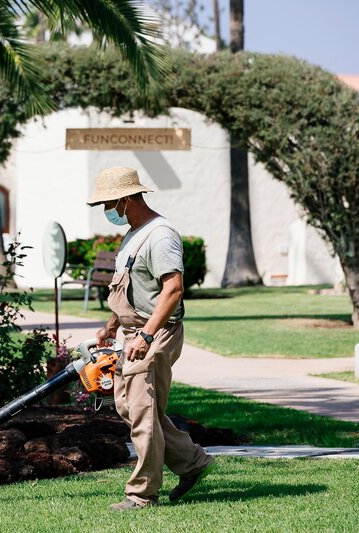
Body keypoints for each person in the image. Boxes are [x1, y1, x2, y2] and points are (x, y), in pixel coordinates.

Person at [87, 166, 215, 511]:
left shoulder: (161, 236)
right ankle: (193, 463)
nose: (106, 211)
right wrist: (112, 324)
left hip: (155, 333)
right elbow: (133, 286)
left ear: (128, 199)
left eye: (109, 203)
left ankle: (141, 494)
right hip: (133, 332)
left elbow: (172, 289)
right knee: (130, 406)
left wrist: (145, 334)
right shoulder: (134, 233)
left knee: (142, 411)